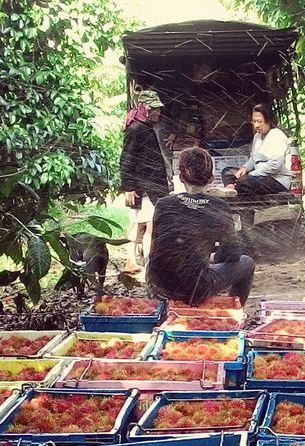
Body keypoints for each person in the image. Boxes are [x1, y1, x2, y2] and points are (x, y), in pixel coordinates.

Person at [148, 148, 256, 306]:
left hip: (160, 287)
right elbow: (233, 254)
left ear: (181, 176)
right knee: (247, 263)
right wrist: (210, 258)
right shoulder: (219, 206)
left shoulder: (163, 204)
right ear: (211, 178)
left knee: (149, 264)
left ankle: (160, 303)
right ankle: (231, 311)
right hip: (195, 289)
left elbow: (156, 251)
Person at [120, 90, 172, 273]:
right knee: (148, 224)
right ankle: (146, 263)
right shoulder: (136, 129)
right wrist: (128, 187)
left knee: (141, 223)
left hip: (147, 185)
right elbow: (126, 158)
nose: (158, 113)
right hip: (144, 186)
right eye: (154, 109)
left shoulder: (144, 127)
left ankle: (133, 260)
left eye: (158, 109)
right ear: (145, 109)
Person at [221, 103, 292, 196]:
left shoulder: (277, 136)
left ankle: (236, 186)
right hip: (257, 176)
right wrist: (245, 168)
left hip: (277, 180)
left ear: (268, 120)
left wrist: (252, 174)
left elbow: (274, 166)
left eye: (259, 121)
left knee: (244, 181)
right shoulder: (257, 136)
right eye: (254, 122)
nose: (256, 125)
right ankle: (231, 189)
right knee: (227, 172)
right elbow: (253, 158)